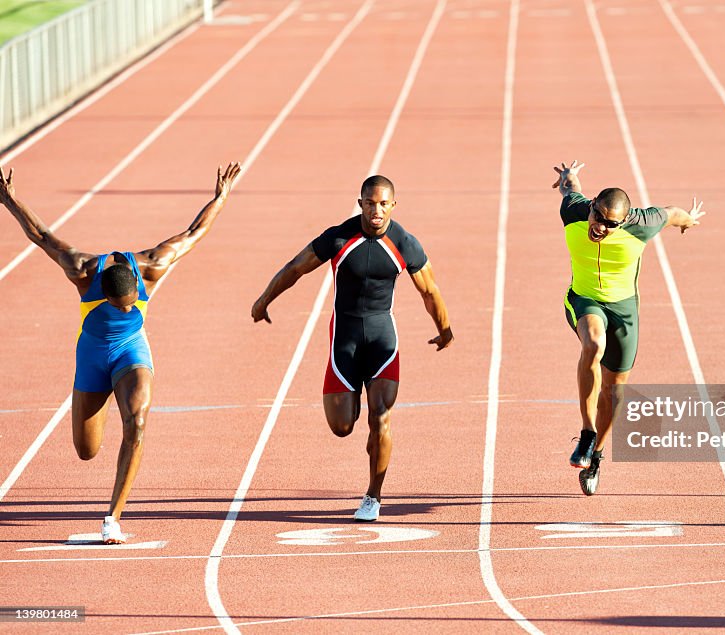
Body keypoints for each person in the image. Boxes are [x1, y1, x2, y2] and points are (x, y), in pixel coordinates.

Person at [0, 162, 241, 543]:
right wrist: (9, 200)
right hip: (92, 359)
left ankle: (113, 517)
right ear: (104, 293)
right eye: (121, 305)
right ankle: (105, 404)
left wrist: (220, 198)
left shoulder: (151, 266)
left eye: (133, 304)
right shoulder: (82, 270)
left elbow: (193, 234)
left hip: (131, 353)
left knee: (138, 423)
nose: (129, 309)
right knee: (85, 450)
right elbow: (42, 235)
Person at [251, 175, 453, 522]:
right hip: (343, 340)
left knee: (382, 419)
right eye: (370, 203)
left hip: (381, 340)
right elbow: (296, 268)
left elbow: (429, 290)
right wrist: (264, 299)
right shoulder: (339, 237)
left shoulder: (404, 242)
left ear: (394, 204)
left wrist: (444, 330)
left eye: (383, 203)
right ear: (360, 204)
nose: (376, 210)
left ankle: (373, 497)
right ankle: (354, 399)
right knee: (342, 426)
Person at [552, 160, 705, 496]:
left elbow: (672, 212)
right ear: (591, 207)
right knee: (593, 343)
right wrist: (568, 176)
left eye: (611, 224)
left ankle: (596, 456)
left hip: (624, 311)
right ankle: (587, 431)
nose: (601, 228)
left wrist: (689, 220)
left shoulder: (642, 224)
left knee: (614, 392)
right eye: (598, 217)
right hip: (583, 300)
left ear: (624, 221)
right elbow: (570, 189)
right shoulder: (574, 211)